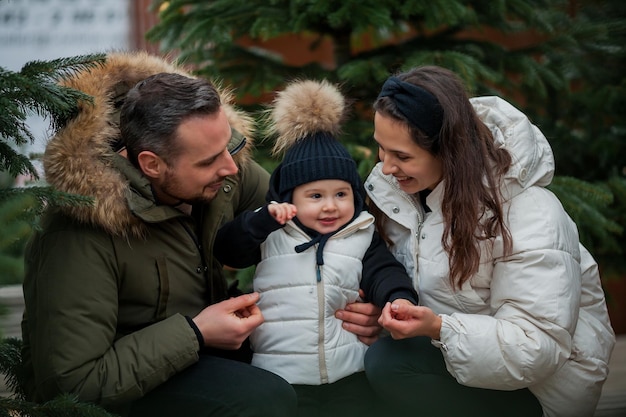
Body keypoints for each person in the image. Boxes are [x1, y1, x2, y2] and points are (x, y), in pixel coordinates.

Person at [20, 51, 299, 417]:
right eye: (208, 161)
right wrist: (196, 333)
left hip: (206, 351)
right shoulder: (78, 231)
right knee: (262, 397)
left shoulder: (221, 168)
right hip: (124, 390)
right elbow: (72, 384)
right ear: (151, 164)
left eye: (228, 145)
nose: (231, 166)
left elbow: (308, 212)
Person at [362, 66, 616, 417]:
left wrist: (438, 328)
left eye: (402, 156)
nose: (386, 167)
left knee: (389, 365)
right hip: (453, 365)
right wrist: (381, 314)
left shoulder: (529, 213)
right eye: (381, 148)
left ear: (448, 150)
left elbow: (536, 347)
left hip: (537, 390)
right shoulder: (399, 199)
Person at [214, 79, 418, 417]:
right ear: (288, 198)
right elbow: (229, 251)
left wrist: (398, 298)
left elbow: (385, 271)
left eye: (341, 194)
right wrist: (259, 223)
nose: (330, 206)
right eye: (315, 196)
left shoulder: (360, 234)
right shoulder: (272, 233)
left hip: (350, 371)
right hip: (281, 374)